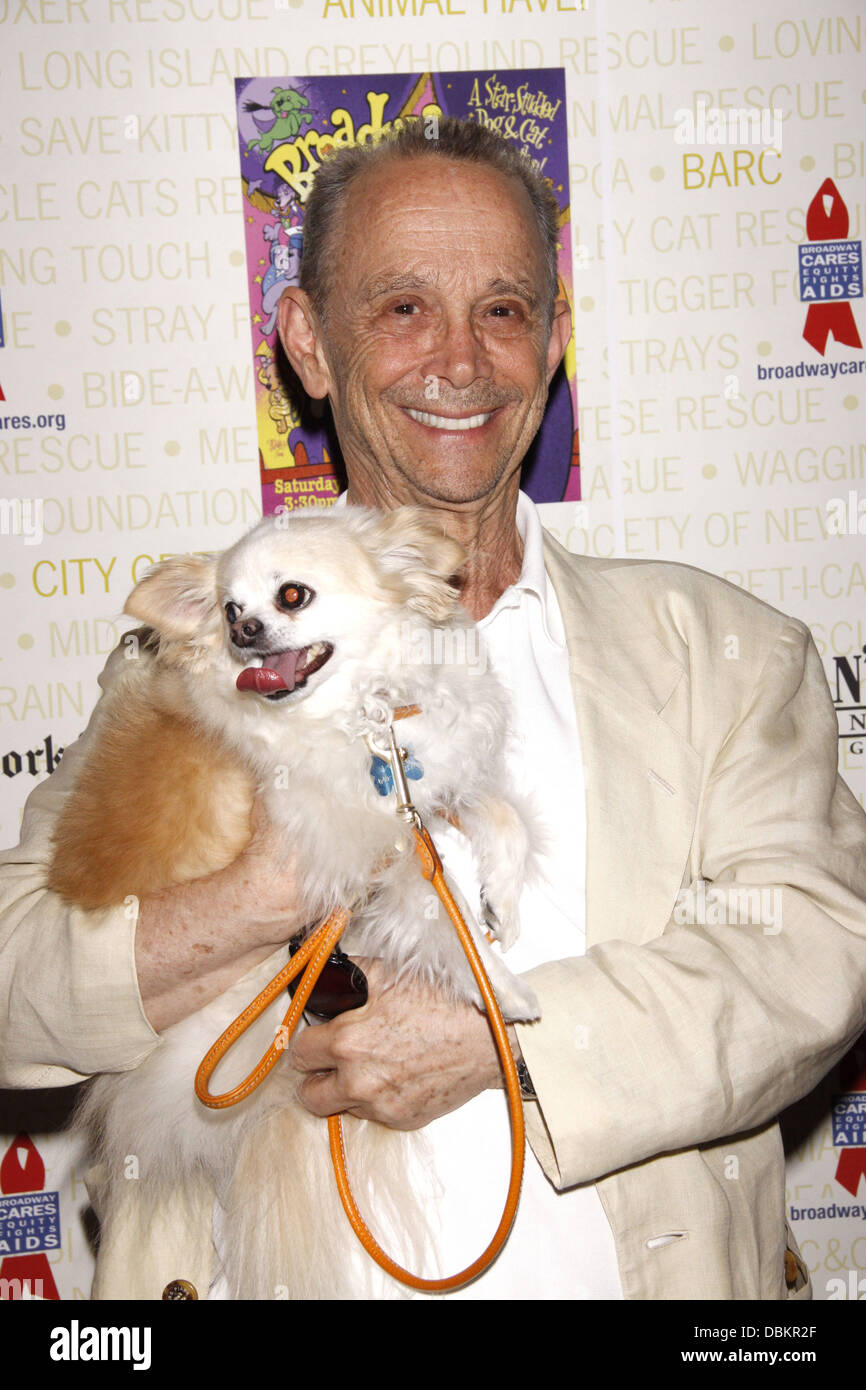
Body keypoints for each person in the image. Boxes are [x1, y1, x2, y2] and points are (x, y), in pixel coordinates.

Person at [2, 118, 865, 1300]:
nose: (458, 361)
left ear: (552, 342)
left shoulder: (720, 655)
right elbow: (15, 978)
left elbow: (812, 951)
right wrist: (267, 885)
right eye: (401, 307)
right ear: (308, 342)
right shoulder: (190, 667)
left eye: (503, 310)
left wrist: (505, 1049)